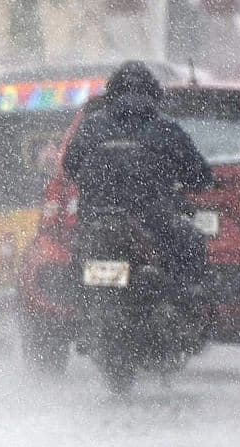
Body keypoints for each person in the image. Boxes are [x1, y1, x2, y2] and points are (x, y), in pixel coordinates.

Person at [62, 61, 214, 307]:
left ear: (111, 93)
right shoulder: (166, 128)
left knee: (80, 253)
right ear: (154, 93)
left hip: (97, 217)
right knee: (192, 240)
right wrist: (198, 182)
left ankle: (79, 304)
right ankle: (183, 303)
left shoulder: (91, 126)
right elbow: (198, 173)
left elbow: (70, 165)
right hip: (152, 218)